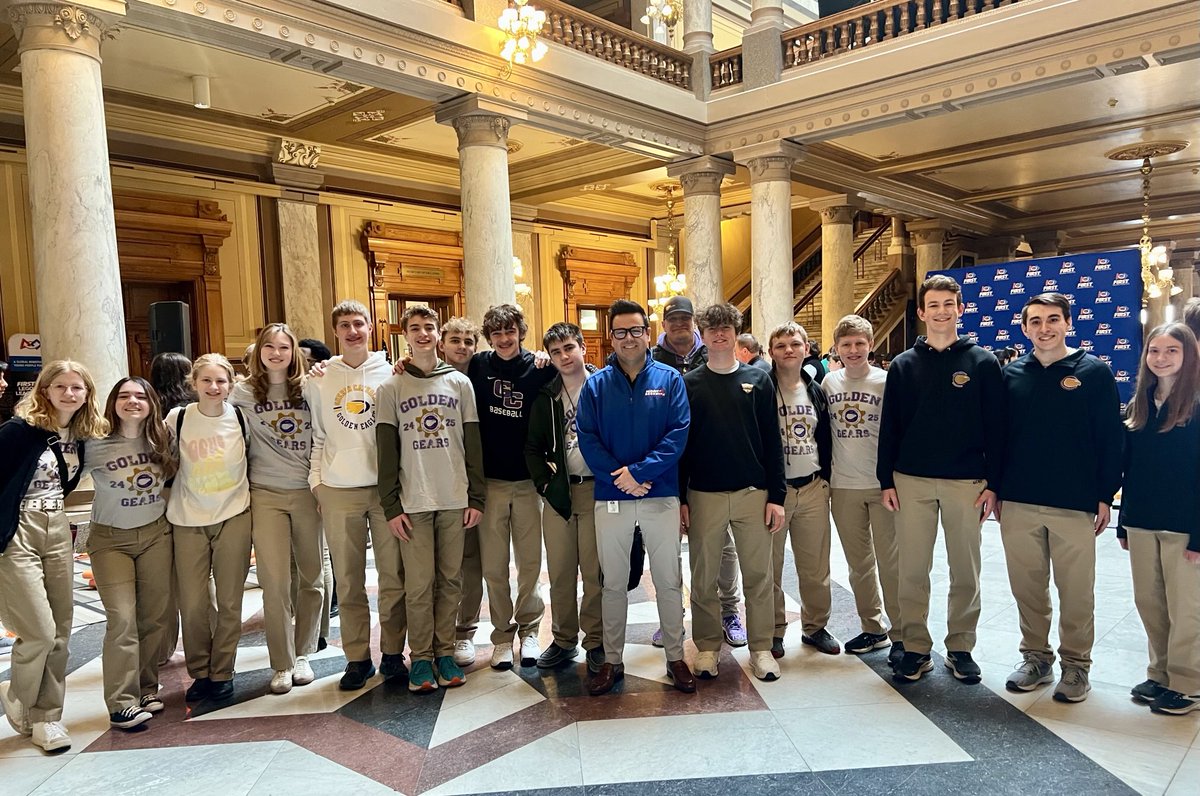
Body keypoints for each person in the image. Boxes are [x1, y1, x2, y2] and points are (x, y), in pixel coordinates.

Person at [877, 274, 1005, 684]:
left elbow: (996, 427)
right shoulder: (902, 365)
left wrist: (995, 483)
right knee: (912, 569)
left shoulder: (982, 362)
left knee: (965, 570)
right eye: (933, 305)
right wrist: (886, 480)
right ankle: (914, 647)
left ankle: (960, 646)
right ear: (921, 312)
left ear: (960, 309)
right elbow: (890, 427)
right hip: (910, 480)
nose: (941, 311)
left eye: (949, 304)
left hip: (966, 483)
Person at [997, 294, 1123, 703]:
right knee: (1027, 587)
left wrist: (1104, 494)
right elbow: (998, 440)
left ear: (1068, 323)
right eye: (1035, 321)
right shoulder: (1012, 373)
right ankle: (1036, 657)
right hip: (1019, 500)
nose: (1044, 327)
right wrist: (996, 488)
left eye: (1053, 319)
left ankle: (1076, 666)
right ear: (1025, 328)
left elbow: (1110, 437)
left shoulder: (1094, 372)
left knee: (1076, 590)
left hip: (1074, 501)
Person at [577, 299, 694, 696]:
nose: (628, 339)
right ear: (612, 336)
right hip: (612, 496)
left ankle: (676, 657)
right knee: (612, 582)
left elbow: (678, 432)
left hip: (659, 492)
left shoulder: (669, 379)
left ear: (648, 333)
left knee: (668, 579)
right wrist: (621, 478)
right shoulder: (595, 385)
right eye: (620, 332)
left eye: (635, 330)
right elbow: (588, 438)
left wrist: (640, 474)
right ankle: (611, 661)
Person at [376, 306, 484, 693]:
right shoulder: (391, 388)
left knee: (450, 581)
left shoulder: (459, 383)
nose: (423, 334)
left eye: (429, 327)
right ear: (404, 334)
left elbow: (473, 445)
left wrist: (477, 497)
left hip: (454, 498)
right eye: (415, 328)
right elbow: (386, 453)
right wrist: (391, 506)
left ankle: (443, 653)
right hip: (413, 501)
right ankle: (419, 657)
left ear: (439, 334)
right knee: (419, 584)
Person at [0, 360, 105, 752]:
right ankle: (19, 694)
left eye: (77, 387)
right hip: (18, 530)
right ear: (45, 390)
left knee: (61, 629)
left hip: (58, 526)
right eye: (61, 386)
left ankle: (46, 718)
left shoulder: (78, 435)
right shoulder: (19, 432)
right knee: (39, 631)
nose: (69, 394)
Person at [681, 304, 785, 683]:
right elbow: (682, 446)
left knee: (758, 575)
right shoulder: (689, 383)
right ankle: (708, 646)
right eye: (711, 329)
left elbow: (773, 441)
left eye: (725, 328)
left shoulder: (758, 380)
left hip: (752, 492)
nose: (719, 334)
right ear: (702, 335)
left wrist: (777, 494)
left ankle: (760, 648)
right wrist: (681, 498)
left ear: (735, 332)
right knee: (703, 575)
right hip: (704, 493)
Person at [305, 300, 406, 690]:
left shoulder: (390, 371)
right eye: (344, 325)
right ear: (335, 332)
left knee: (393, 577)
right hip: (338, 489)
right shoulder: (318, 378)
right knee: (348, 582)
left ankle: (394, 654)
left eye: (358, 323)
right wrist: (318, 483)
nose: (352, 331)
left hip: (384, 491)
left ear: (370, 327)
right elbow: (317, 435)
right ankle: (357, 658)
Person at [231, 324, 323, 694]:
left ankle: (303, 654)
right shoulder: (242, 392)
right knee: (274, 582)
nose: (276, 353)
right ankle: (281, 662)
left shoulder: (309, 388)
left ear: (294, 352)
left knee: (312, 577)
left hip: (307, 492)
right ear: (259, 351)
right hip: (265, 494)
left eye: (283, 347)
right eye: (269, 346)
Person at [650, 295, 746, 649]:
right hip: (666, 467)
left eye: (685, 319)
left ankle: (729, 611)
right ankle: (671, 616)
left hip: (711, 467)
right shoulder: (650, 360)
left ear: (696, 325)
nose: (680, 325)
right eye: (673, 319)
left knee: (722, 547)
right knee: (667, 546)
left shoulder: (714, 353)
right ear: (664, 324)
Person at [83, 377, 176, 729]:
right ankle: (121, 701)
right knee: (122, 618)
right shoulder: (95, 444)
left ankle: (147, 689)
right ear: (113, 402)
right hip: (110, 540)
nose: (133, 401)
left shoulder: (162, 439)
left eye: (140, 396)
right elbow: (66, 476)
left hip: (155, 534)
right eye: (124, 396)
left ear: (152, 402)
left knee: (154, 617)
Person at [467, 303, 555, 670]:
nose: (504, 339)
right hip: (490, 483)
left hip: (528, 482)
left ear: (521, 331)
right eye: (497, 333)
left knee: (531, 564)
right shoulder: (478, 366)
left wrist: (544, 356)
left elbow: (580, 375)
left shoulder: (538, 367)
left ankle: (530, 631)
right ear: (490, 338)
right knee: (494, 566)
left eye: (510, 331)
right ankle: (502, 635)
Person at [1118, 322, 1200, 715]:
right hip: (1143, 521)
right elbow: (1131, 469)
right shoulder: (1141, 403)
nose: (1161, 358)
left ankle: (1189, 683)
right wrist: (1123, 521)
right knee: (1149, 602)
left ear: (1188, 356)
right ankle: (1161, 673)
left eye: (1172, 351)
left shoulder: (1197, 404)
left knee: (1186, 608)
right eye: (1155, 351)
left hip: (1185, 525)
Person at [167, 353, 252, 703]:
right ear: (194, 383)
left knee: (231, 601)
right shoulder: (179, 418)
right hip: (187, 519)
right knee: (193, 602)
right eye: (207, 381)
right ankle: (199, 670)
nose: (214, 387)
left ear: (231, 384)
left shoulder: (240, 418)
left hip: (233, 515)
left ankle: (223, 671)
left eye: (221, 381)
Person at [524, 323, 603, 672]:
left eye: (569, 348)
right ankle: (563, 639)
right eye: (555, 352)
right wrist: (544, 483)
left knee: (595, 571)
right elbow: (532, 447)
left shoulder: (603, 386)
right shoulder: (547, 394)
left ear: (583, 346)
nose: (563, 357)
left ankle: (597, 640)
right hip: (559, 492)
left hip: (597, 490)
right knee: (560, 571)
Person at [823, 315, 901, 662]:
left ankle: (901, 632)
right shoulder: (828, 383)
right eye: (846, 344)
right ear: (837, 349)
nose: (853, 350)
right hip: (844, 486)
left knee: (892, 562)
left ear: (870, 345)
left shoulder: (887, 381)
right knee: (859, 564)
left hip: (883, 485)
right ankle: (873, 627)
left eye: (859, 343)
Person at [767, 321, 840, 659]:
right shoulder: (760, 387)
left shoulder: (815, 389)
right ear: (771, 352)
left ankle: (815, 627)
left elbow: (823, 436)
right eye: (781, 345)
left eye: (794, 344)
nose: (788, 350)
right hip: (773, 493)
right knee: (769, 565)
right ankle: (773, 629)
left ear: (806, 349)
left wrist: (825, 477)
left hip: (811, 487)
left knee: (815, 565)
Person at [439, 316, 485, 666]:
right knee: (444, 564)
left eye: (469, 341)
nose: (462, 347)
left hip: (485, 480)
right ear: (442, 343)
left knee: (474, 562)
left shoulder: (485, 370)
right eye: (455, 340)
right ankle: (439, 631)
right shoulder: (422, 375)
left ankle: (465, 629)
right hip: (444, 480)